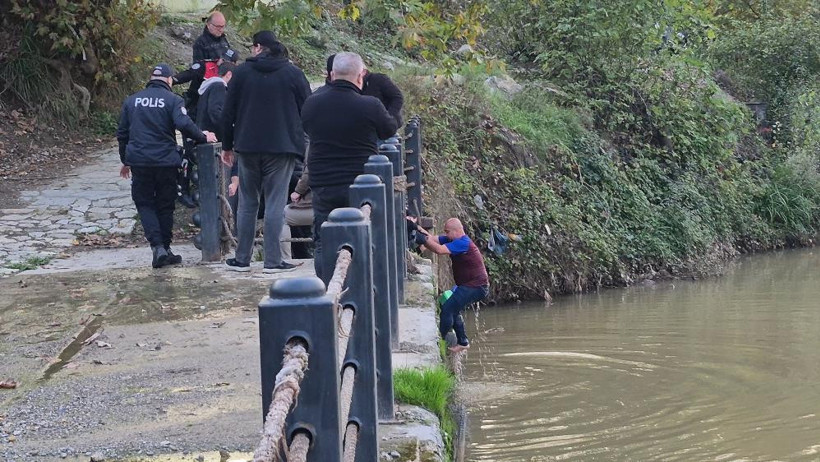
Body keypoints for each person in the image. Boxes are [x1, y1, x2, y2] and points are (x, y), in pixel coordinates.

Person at [301, 52, 399, 279]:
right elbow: (389, 129)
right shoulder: (370, 105)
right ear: (360, 77)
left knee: (323, 239)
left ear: (332, 74)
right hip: (362, 183)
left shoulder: (312, 103)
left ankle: (327, 294)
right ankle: (362, 289)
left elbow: (307, 129)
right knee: (364, 237)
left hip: (324, 182)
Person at [220, 30, 311, 273]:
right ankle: (273, 261)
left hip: (248, 147)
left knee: (247, 203)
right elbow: (309, 109)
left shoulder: (241, 73)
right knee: (275, 203)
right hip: (282, 148)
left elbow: (228, 112)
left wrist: (227, 146)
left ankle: (242, 259)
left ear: (258, 48)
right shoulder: (293, 74)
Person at [116, 63, 217, 268]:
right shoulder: (173, 100)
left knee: (144, 203)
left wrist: (125, 160)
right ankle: (166, 248)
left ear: (151, 78)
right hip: (165, 161)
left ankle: (158, 248)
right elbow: (183, 124)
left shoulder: (131, 101)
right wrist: (203, 137)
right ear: (170, 80)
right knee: (165, 204)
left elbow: (123, 134)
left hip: (140, 161)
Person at [412, 217, 489, 352]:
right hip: (468, 285)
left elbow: (439, 250)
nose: (445, 235)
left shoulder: (463, 243)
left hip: (476, 286)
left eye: (447, 232)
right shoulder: (452, 239)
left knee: (448, 308)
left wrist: (422, 240)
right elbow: (432, 238)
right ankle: (463, 342)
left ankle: (439, 341)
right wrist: (415, 227)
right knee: (451, 306)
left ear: (456, 230)